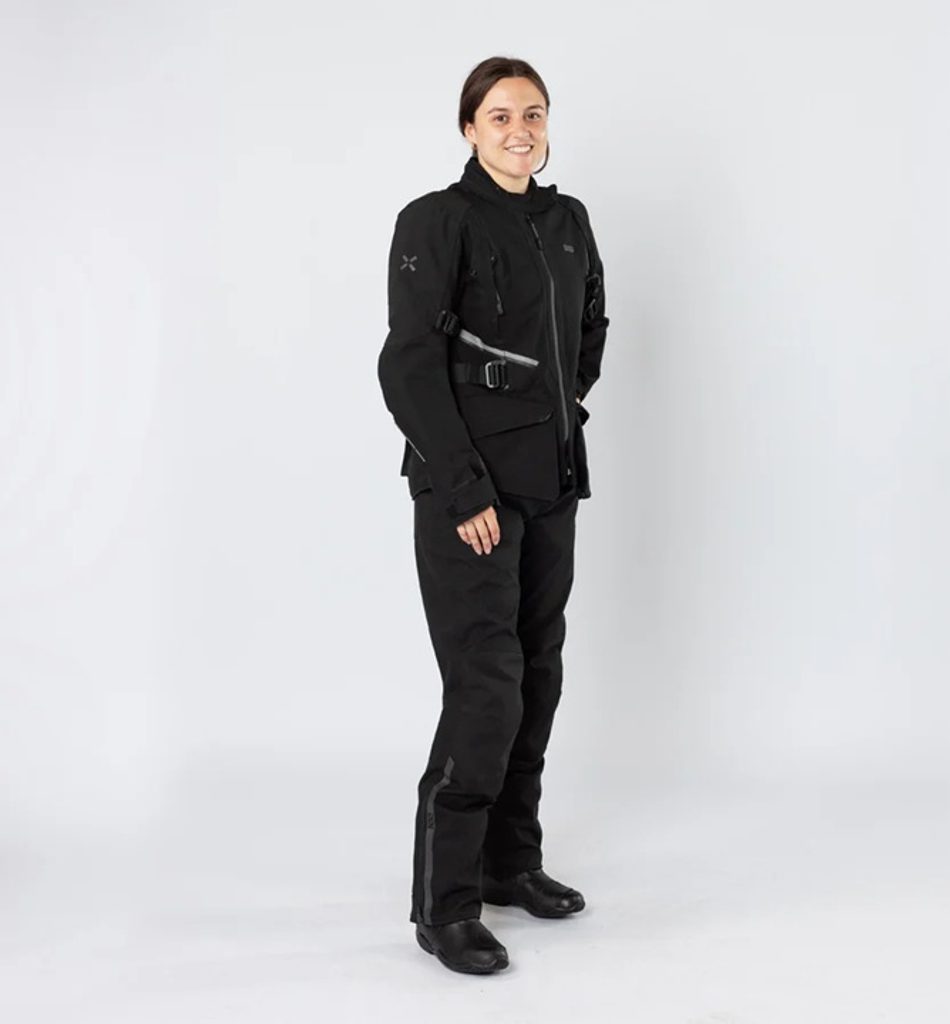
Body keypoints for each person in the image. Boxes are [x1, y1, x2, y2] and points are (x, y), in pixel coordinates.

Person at [376, 55, 609, 976]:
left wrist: (556, 413)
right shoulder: (436, 221)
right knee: (487, 687)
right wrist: (466, 485)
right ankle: (445, 905)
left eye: (534, 114)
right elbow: (407, 365)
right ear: (469, 127)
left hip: (551, 483)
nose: (521, 130)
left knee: (538, 675)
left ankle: (512, 864)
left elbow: (588, 332)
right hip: (468, 497)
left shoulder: (568, 221)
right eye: (502, 115)